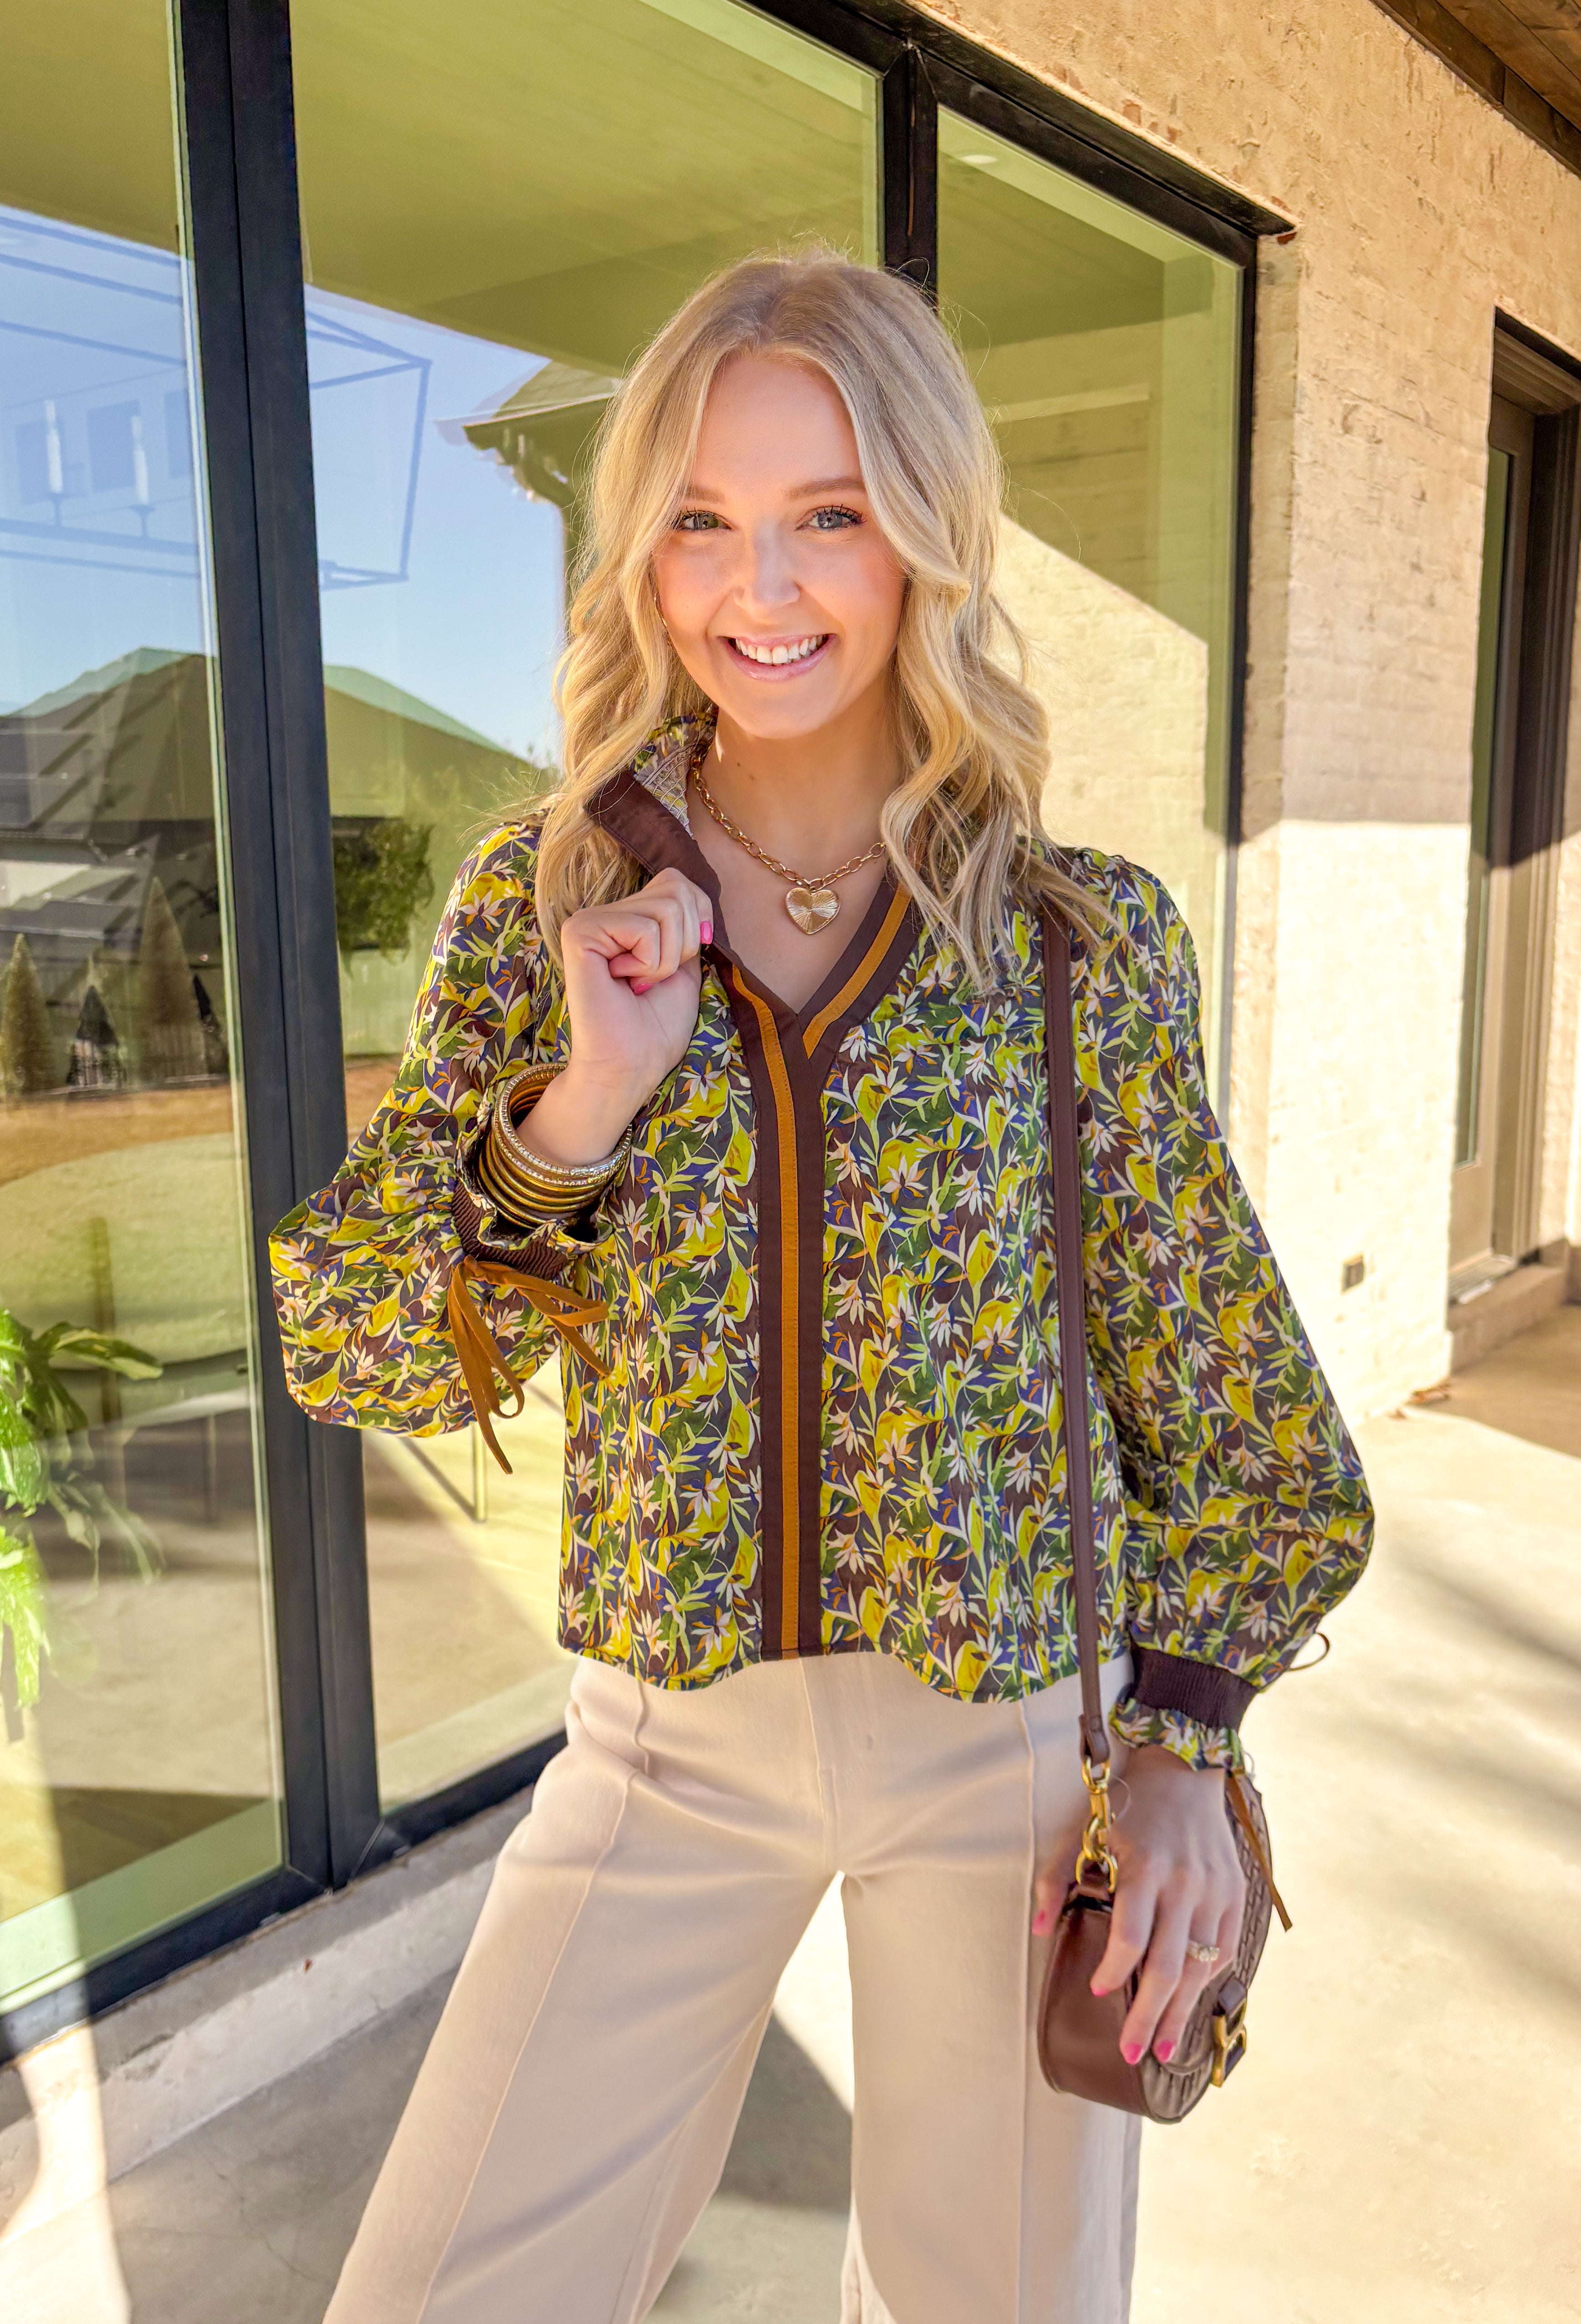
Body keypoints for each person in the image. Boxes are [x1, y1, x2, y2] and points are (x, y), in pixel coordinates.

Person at [271, 250, 1372, 2324]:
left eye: (824, 514)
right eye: (698, 517)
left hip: (1011, 1756)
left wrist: (1187, 1742)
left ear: (924, 537)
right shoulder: (549, 898)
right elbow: (360, 1341)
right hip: (666, 1739)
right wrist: (579, 1108)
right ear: (641, 554)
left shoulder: (1072, 945)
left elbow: (1248, 1437)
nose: (753, 585)